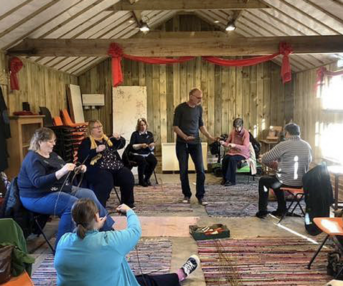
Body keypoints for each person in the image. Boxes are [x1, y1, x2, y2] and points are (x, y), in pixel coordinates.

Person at [54, 198, 200, 286]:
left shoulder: (63, 241)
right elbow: (135, 230)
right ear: (97, 217)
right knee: (147, 281)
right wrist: (129, 211)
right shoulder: (110, 241)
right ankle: (181, 274)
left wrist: (97, 226)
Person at [17, 127, 115, 247]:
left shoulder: (52, 155)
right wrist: (61, 172)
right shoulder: (33, 159)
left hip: (58, 189)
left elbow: (65, 168)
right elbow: (38, 182)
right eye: (50, 141)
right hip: (36, 196)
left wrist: (77, 169)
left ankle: (107, 229)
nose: (54, 143)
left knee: (88, 194)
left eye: (54, 140)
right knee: (71, 205)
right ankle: (63, 246)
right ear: (39, 142)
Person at [255, 123, 312, 219]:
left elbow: (265, 159)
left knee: (264, 180)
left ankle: (262, 211)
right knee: (277, 179)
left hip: (286, 181)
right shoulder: (307, 145)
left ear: (287, 133)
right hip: (302, 183)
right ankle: (282, 209)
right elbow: (308, 161)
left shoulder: (283, 145)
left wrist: (263, 159)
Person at [173, 88, 217, 206]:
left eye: (201, 98)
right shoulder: (180, 108)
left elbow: (201, 125)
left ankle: (200, 196)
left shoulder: (199, 108)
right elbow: (175, 127)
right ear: (191, 96)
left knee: (201, 171)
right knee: (183, 171)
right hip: (182, 144)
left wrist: (210, 137)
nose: (200, 100)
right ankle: (186, 195)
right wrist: (185, 136)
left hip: (196, 143)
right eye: (198, 97)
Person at [78, 119, 135, 208]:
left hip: (116, 167)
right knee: (106, 179)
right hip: (98, 169)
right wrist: (96, 150)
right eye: (96, 127)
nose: (99, 129)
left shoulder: (107, 139)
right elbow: (82, 157)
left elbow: (121, 144)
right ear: (90, 130)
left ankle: (127, 204)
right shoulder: (87, 142)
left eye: (100, 126)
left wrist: (119, 138)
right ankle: (100, 207)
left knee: (128, 176)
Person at [220, 118, 250, 186]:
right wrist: (223, 143)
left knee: (232, 159)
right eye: (235, 127)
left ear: (242, 126)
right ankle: (225, 179)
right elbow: (227, 143)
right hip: (232, 152)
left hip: (243, 153)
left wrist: (235, 145)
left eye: (238, 127)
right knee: (225, 159)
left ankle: (231, 181)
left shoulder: (246, 133)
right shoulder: (232, 132)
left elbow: (245, 147)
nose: (236, 129)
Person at [129, 118, 157, 187]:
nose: (143, 126)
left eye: (144, 125)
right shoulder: (135, 134)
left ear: (146, 125)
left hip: (147, 153)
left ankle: (146, 178)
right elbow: (132, 146)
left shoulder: (150, 134)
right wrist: (141, 145)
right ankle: (141, 181)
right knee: (142, 161)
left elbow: (152, 148)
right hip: (136, 154)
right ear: (138, 126)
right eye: (141, 125)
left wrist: (151, 146)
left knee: (154, 161)